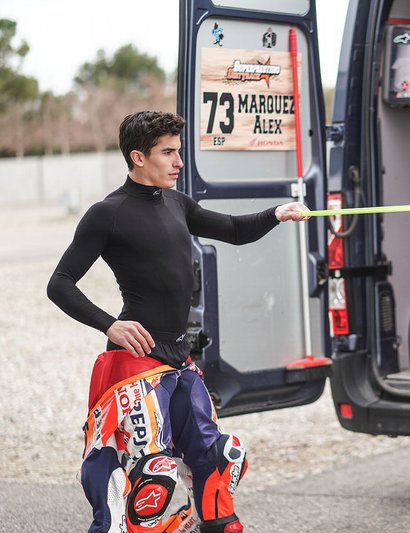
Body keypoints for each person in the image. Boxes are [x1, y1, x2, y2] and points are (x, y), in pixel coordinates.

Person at [47, 110, 309, 533]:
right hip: (136, 360)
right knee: (154, 477)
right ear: (137, 157)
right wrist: (109, 324)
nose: (179, 162)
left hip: (179, 358)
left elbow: (233, 230)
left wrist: (278, 212)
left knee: (220, 457)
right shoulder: (107, 213)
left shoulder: (177, 203)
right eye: (168, 153)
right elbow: (59, 284)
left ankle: (213, 524)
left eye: (178, 152)